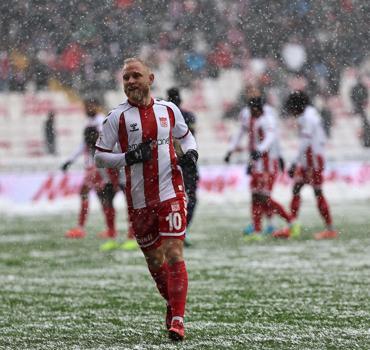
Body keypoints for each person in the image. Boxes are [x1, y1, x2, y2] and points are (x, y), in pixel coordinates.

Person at [95, 57, 198, 341]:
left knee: (175, 253)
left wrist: (191, 154)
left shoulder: (168, 110)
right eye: (126, 78)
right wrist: (127, 157)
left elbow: (187, 137)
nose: (130, 82)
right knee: (155, 261)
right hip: (139, 199)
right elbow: (99, 156)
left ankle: (178, 319)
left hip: (170, 192)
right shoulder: (117, 117)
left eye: (135, 76)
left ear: (150, 79)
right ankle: (171, 302)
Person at [224, 87, 297, 241]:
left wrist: (264, 151)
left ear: (257, 109)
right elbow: (240, 134)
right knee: (255, 195)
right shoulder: (251, 118)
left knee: (264, 197)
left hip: (268, 163)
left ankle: (291, 222)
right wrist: (231, 150)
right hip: (256, 163)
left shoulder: (267, 119)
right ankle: (257, 230)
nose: (249, 113)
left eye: (252, 110)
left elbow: (271, 138)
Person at [281, 90, 338, 240]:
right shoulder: (309, 115)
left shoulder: (308, 118)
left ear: (298, 106)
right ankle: (292, 225)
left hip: (313, 160)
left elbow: (306, 141)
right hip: (310, 159)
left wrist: (294, 162)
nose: (292, 111)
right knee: (297, 188)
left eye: (292, 108)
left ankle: (330, 229)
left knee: (317, 192)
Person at [61, 98, 120, 239]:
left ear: (97, 106)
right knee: (100, 196)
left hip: (99, 165)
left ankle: (86, 228)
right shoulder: (89, 122)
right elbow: (84, 144)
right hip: (92, 165)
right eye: (86, 106)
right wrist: (70, 160)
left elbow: (107, 142)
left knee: (99, 195)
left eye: (90, 106)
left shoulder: (101, 121)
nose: (88, 109)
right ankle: (109, 230)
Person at [167, 87, 199, 247]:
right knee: (190, 198)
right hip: (186, 163)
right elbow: (190, 137)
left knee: (172, 199)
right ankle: (180, 232)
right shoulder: (187, 116)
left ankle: (174, 232)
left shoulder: (163, 115)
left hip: (169, 163)